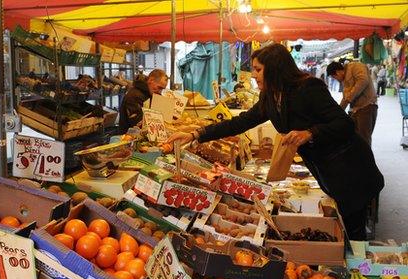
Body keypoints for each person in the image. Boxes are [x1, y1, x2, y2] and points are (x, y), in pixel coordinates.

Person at [167, 43, 384, 241]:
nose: (253, 75)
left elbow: (344, 124)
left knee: (354, 233)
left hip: (350, 169)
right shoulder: (270, 97)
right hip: (327, 170)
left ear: (275, 68)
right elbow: (240, 122)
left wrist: (310, 132)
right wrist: (196, 134)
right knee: (344, 228)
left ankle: (358, 271)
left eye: (258, 69)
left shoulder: (308, 88)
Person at [326, 60, 378, 146]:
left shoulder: (355, 66)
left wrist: (350, 97)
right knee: (356, 138)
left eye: (334, 77)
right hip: (356, 109)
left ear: (337, 72)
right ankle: (358, 158)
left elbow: (363, 80)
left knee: (364, 139)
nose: (335, 80)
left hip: (367, 107)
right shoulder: (344, 80)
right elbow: (345, 98)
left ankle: (365, 159)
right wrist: (337, 112)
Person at [118, 69, 169, 134]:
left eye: (162, 89)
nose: (160, 92)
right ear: (151, 80)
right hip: (130, 139)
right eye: (159, 87)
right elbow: (137, 124)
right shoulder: (134, 96)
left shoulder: (150, 93)